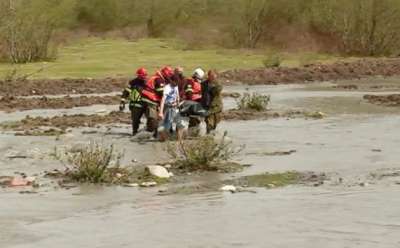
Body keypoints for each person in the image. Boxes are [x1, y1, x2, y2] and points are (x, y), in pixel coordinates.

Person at [141, 66, 174, 137]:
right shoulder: (159, 80)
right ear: (166, 74)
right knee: (153, 119)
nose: (170, 76)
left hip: (147, 99)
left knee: (154, 119)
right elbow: (161, 92)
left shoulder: (157, 78)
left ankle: (150, 132)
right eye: (170, 75)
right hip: (150, 100)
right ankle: (148, 134)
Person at [119, 68, 147, 136]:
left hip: (147, 104)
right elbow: (126, 92)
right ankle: (135, 133)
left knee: (151, 119)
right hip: (136, 105)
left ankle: (148, 131)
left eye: (144, 75)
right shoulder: (133, 82)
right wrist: (122, 102)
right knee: (135, 121)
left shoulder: (148, 82)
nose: (143, 77)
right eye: (141, 76)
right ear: (138, 75)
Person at [158, 76, 180, 142]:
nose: (176, 84)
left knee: (172, 124)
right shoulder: (167, 88)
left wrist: (177, 102)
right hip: (166, 107)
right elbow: (163, 100)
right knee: (163, 124)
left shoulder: (176, 86)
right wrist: (161, 112)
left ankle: (169, 137)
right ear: (172, 81)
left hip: (173, 107)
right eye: (175, 83)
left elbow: (177, 96)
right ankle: (161, 138)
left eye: (177, 83)